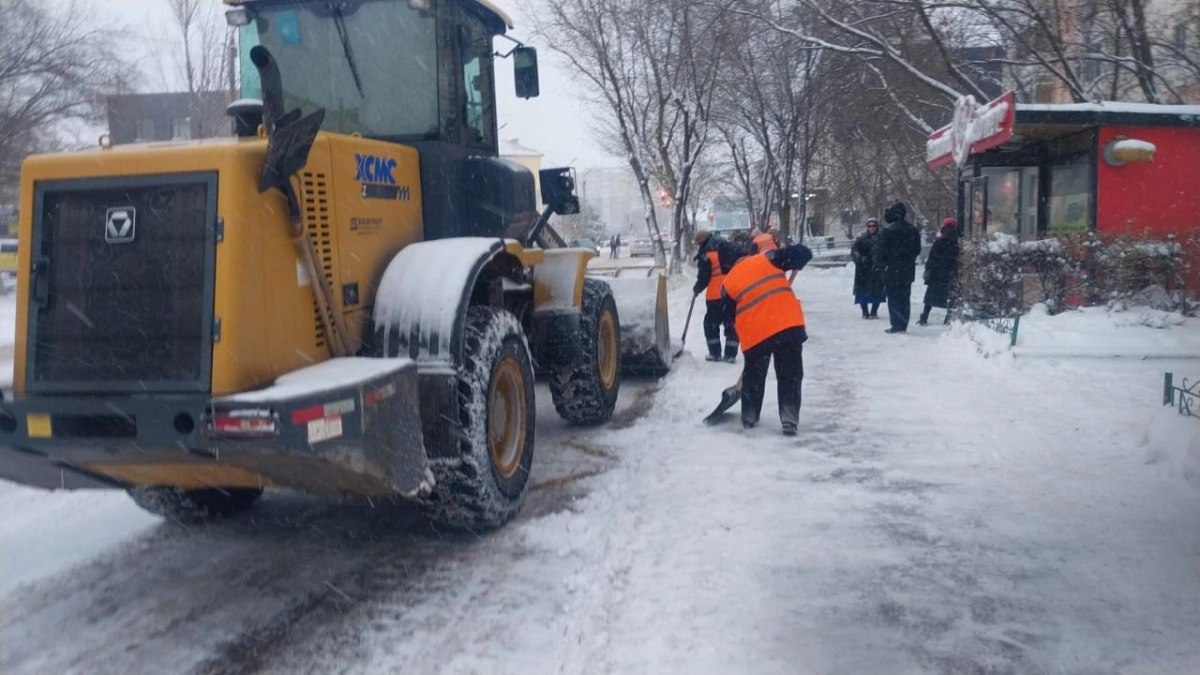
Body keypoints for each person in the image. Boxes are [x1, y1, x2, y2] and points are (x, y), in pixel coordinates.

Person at [721, 242, 813, 435]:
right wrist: (798, 260)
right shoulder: (767, 258)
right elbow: (803, 252)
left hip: (756, 336)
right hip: (788, 325)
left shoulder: (727, 284)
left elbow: (729, 321)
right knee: (790, 375)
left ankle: (749, 416)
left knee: (754, 377)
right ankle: (789, 418)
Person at [693, 229, 750, 362]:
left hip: (715, 295)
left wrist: (697, 289)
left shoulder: (707, 254)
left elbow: (704, 276)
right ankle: (730, 355)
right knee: (730, 323)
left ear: (702, 241)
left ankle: (715, 353)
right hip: (731, 293)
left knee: (710, 324)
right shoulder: (725, 248)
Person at [873, 201, 922, 334]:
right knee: (905, 298)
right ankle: (903, 323)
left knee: (893, 298)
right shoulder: (912, 230)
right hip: (907, 270)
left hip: (892, 270)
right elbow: (917, 250)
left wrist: (882, 265)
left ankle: (896, 324)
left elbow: (879, 251)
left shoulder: (887, 231)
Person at [918, 218, 961, 325]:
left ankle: (924, 317)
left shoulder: (939, 242)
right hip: (951, 274)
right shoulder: (957, 243)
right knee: (950, 297)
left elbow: (932, 258)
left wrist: (928, 271)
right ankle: (948, 318)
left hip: (937, 274)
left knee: (930, 298)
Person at [851, 218, 885, 319]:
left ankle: (874, 312)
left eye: (873, 226)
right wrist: (859, 259)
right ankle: (865, 312)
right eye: (869, 226)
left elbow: (885, 251)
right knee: (862, 292)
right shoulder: (862, 238)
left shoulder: (882, 238)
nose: (871, 228)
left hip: (876, 269)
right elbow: (854, 250)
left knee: (877, 291)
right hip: (863, 269)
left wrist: (880, 261)